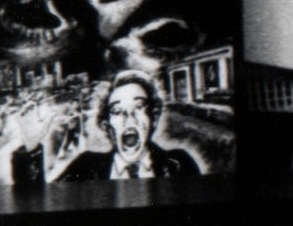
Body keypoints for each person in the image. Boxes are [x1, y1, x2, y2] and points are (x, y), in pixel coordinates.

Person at [55, 70, 200, 181]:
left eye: (139, 107)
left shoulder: (178, 163)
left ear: (154, 118)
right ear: (106, 125)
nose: (129, 118)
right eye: (117, 111)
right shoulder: (85, 165)